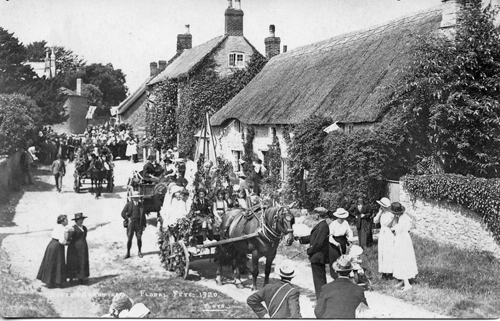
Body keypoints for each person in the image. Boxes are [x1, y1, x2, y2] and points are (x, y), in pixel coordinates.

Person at [390, 202, 418, 291]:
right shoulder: (404, 217)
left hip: (402, 241)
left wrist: (394, 226)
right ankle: (403, 280)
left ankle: (407, 284)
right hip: (404, 239)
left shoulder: (402, 219)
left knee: (403, 259)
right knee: (399, 259)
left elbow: (396, 230)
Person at [306, 207, 332, 300]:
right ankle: (322, 300)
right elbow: (313, 237)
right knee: (319, 280)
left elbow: (318, 243)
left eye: (314, 214)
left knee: (319, 281)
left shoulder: (322, 226)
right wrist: (301, 239)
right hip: (318, 257)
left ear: (317, 215)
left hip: (318, 257)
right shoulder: (321, 225)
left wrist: (309, 251)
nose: (313, 216)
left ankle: (321, 302)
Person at [36, 214, 70, 288]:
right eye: (66, 220)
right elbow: (61, 240)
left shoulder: (57, 227)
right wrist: (67, 243)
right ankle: (58, 282)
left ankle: (49, 281)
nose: (67, 221)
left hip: (51, 245)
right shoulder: (63, 229)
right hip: (57, 246)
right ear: (63, 221)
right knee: (58, 263)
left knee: (50, 262)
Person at [373, 197, 395, 279]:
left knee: (388, 252)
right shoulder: (382, 213)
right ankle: (383, 271)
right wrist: (379, 213)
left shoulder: (391, 215)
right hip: (382, 233)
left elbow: (386, 223)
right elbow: (375, 221)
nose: (380, 207)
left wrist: (382, 212)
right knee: (382, 252)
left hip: (388, 234)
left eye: (382, 206)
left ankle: (389, 272)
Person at [328, 208, 354, 279]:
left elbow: (349, 232)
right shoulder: (333, 224)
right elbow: (329, 237)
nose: (342, 219)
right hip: (334, 243)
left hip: (342, 241)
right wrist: (335, 243)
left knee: (342, 259)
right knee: (335, 259)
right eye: (341, 218)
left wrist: (350, 240)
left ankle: (342, 275)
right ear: (337, 217)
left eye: (343, 218)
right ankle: (334, 276)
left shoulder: (345, 223)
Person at [121, 192, 147, 259]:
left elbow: (143, 216)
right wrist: (128, 218)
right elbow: (123, 213)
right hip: (131, 223)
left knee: (139, 238)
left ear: (139, 198)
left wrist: (144, 225)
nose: (136, 199)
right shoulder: (129, 204)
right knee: (129, 238)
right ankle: (128, 253)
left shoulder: (141, 205)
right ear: (132, 198)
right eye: (135, 198)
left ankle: (139, 252)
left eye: (137, 198)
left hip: (139, 223)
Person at [67, 213, 90, 285]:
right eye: (78, 220)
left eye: (81, 219)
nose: (80, 221)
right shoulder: (73, 228)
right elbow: (68, 238)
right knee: (74, 261)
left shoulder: (85, 228)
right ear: (76, 221)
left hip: (83, 247)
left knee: (83, 260)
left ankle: (82, 277)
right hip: (75, 248)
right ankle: (72, 277)